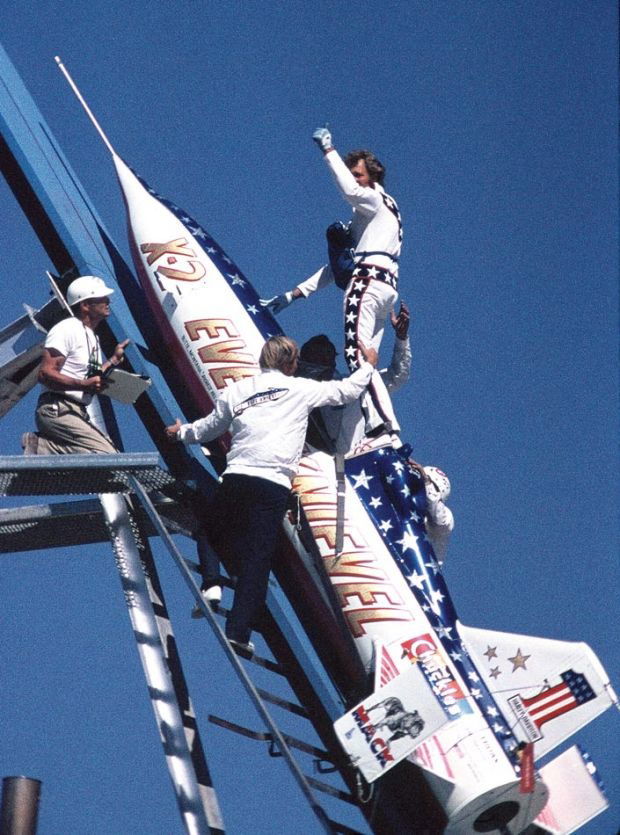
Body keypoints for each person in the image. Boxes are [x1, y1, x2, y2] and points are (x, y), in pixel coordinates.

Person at [166, 335, 378, 654]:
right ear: (291, 364)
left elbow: (208, 429)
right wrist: (369, 365)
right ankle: (238, 631)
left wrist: (180, 433)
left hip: (237, 475)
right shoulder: (300, 388)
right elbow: (347, 391)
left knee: (209, 532)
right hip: (273, 484)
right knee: (257, 560)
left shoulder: (237, 390)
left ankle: (211, 583)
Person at [261, 126, 402, 437]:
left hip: (366, 284)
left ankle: (384, 425)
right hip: (385, 287)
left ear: (372, 177)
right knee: (365, 358)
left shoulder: (375, 202)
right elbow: (337, 266)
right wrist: (294, 294)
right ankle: (377, 425)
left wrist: (328, 151)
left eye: (359, 174)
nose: (355, 179)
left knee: (356, 357)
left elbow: (351, 191)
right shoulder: (381, 214)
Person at [30, 275, 129, 455]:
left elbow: (90, 378)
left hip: (75, 412)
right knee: (108, 457)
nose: (108, 301)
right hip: (58, 409)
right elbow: (44, 374)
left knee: (108, 459)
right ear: (85, 305)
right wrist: (83, 385)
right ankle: (42, 448)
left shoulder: (92, 337)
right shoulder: (67, 328)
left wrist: (113, 360)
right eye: (101, 298)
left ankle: (47, 452)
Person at [298, 301, 411, 455]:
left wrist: (401, 339)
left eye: (329, 356)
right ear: (305, 357)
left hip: (367, 454)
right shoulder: (293, 385)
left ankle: (387, 437)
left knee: (368, 379)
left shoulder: (354, 382)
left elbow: (397, 376)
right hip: (325, 461)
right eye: (318, 355)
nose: (325, 360)